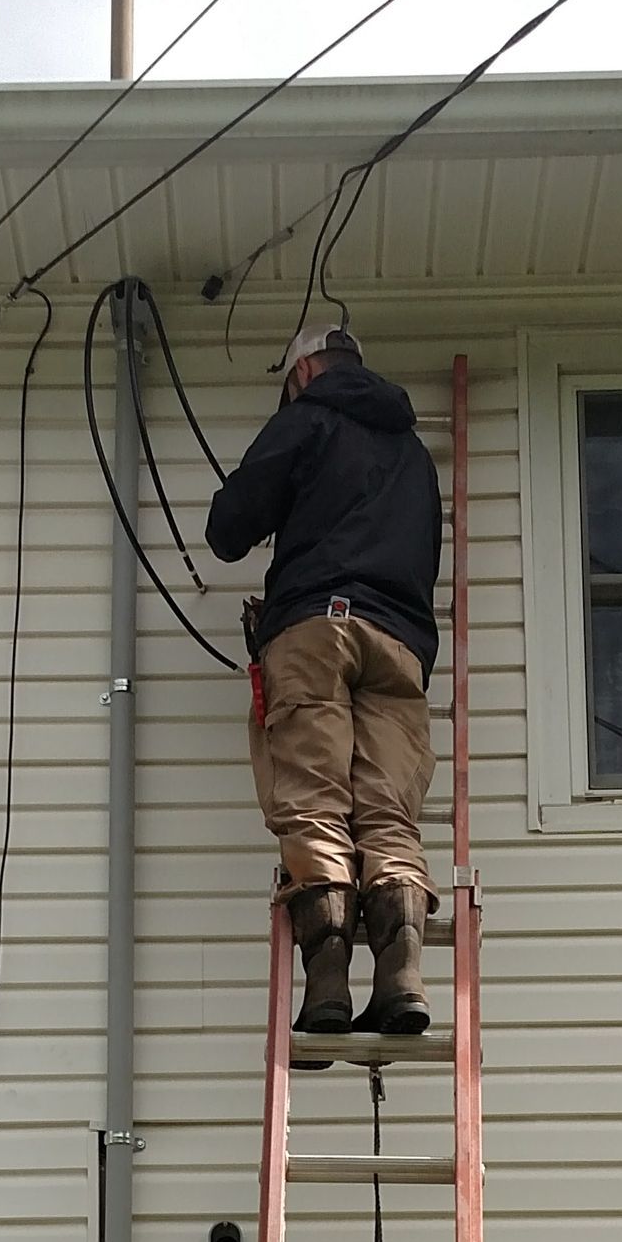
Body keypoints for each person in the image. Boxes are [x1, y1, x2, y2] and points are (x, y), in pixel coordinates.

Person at [205, 323, 442, 1041]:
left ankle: (329, 986)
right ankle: (401, 978)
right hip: (398, 645)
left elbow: (229, 527)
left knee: (314, 802)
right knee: (389, 813)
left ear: (305, 371)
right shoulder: (414, 453)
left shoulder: (307, 421)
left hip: (316, 629)